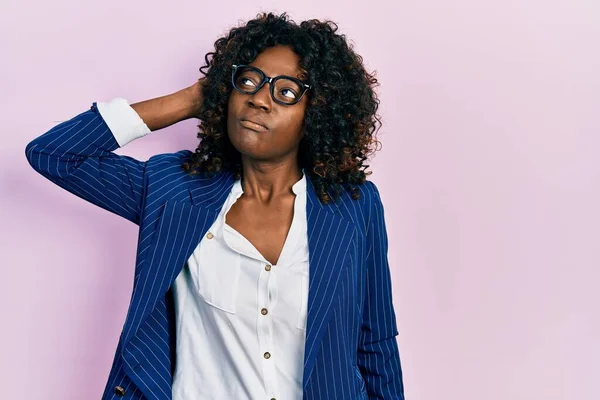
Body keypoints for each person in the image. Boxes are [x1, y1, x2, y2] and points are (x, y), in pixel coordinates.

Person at [25, 11, 405, 400]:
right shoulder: (174, 191)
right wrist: (191, 100)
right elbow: (54, 154)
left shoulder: (354, 205)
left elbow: (375, 343)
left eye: (286, 92)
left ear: (318, 113)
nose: (259, 99)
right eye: (248, 82)